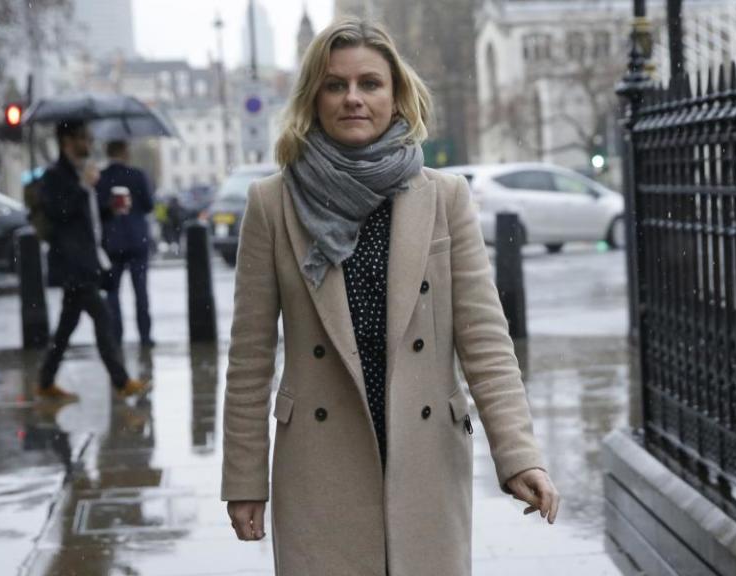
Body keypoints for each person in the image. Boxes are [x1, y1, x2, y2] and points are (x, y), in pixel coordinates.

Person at [221, 19, 560, 575]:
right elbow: (250, 357)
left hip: (424, 452)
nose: (353, 98)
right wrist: (243, 479)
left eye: (370, 84)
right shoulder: (272, 204)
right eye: (336, 85)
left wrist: (519, 454)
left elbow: (484, 341)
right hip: (317, 458)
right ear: (314, 97)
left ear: (397, 95)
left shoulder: (445, 197)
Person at [36, 120, 150, 403]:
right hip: (72, 263)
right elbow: (59, 213)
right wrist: (82, 187)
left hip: (86, 259)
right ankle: (122, 382)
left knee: (66, 327)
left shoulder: (78, 174)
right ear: (67, 141)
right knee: (103, 318)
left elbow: (85, 218)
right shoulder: (55, 175)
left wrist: (110, 209)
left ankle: (45, 381)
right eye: (83, 138)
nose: (88, 143)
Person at [96, 140, 155, 347]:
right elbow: (148, 205)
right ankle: (145, 336)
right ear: (123, 151)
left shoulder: (101, 178)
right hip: (137, 240)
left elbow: (98, 211)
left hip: (112, 242)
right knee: (141, 292)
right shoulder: (137, 176)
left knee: (113, 292)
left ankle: (116, 335)